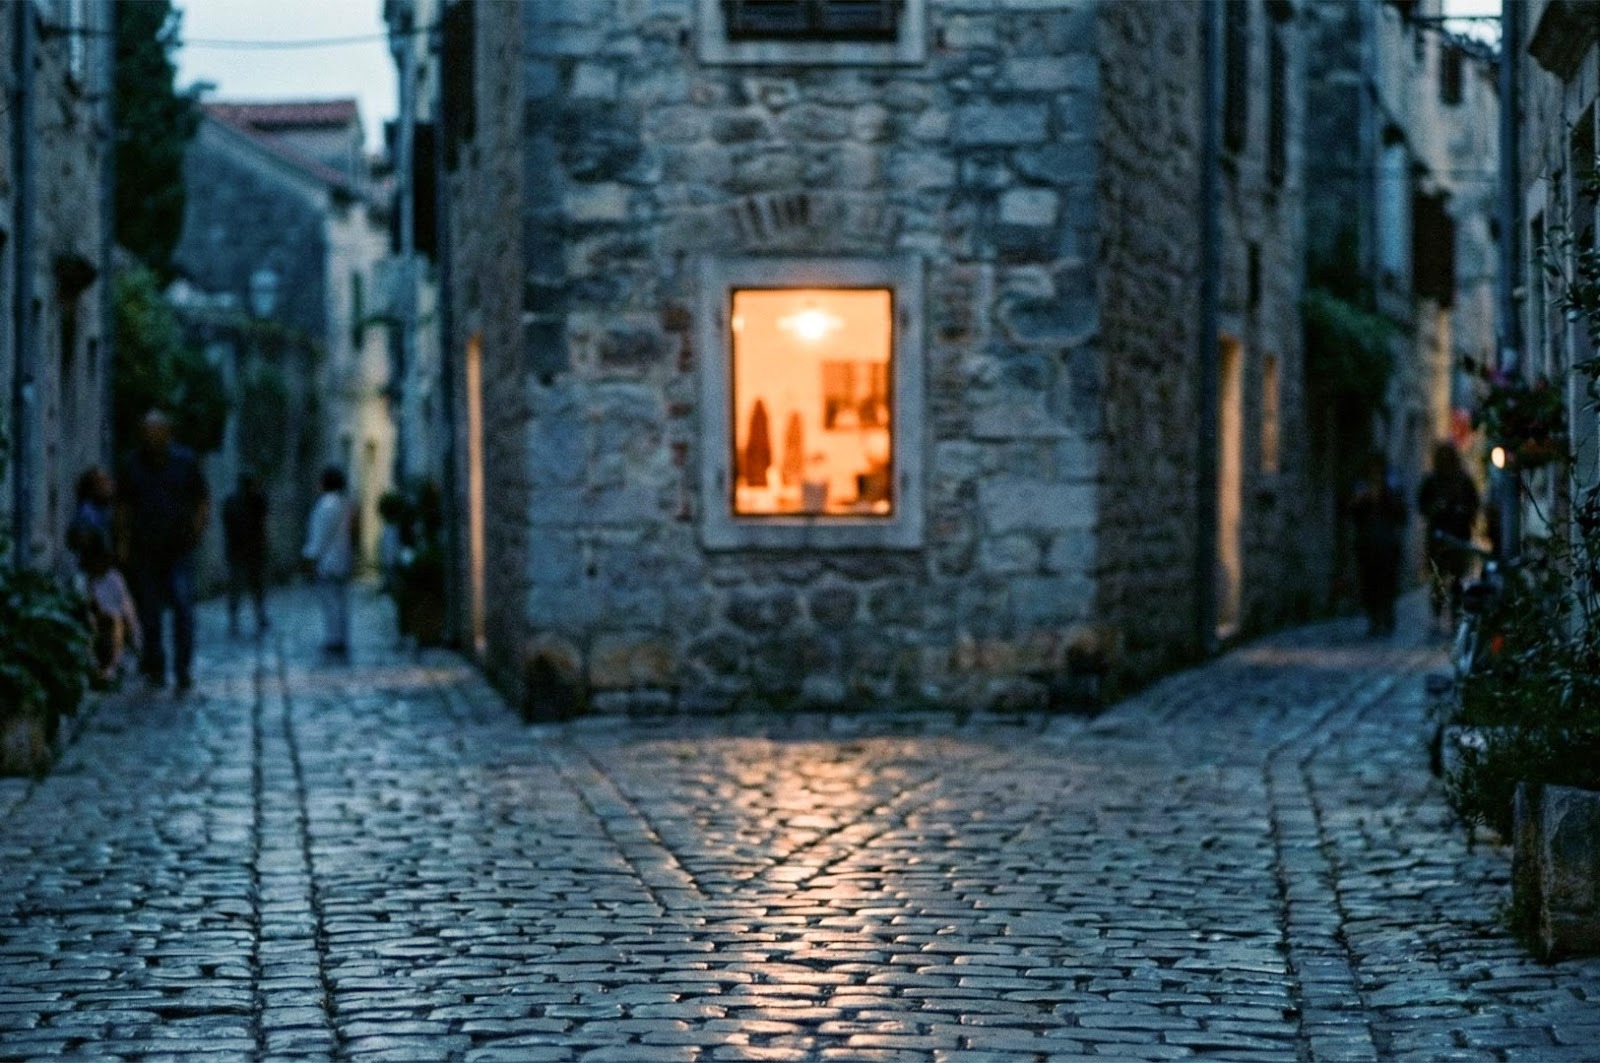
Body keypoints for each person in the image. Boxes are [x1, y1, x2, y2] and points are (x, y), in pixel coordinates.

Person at [118, 410, 209, 695]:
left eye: (157, 433)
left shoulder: (185, 462)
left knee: (183, 607)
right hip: (146, 549)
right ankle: (155, 667)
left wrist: (197, 529)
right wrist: (123, 542)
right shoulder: (133, 465)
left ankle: (182, 670)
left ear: (168, 433)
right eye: (147, 433)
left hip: (179, 548)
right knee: (150, 612)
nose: (152, 438)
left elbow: (202, 499)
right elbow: (124, 507)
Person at [1418, 441, 1481, 635]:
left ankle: (1454, 619)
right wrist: (1436, 509)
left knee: (1457, 581)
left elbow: (1473, 504)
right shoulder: (1432, 481)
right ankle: (1437, 618)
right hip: (1438, 538)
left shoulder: (1462, 481)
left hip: (1458, 535)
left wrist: (1463, 512)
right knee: (1438, 581)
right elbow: (1422, 505)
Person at [1348, 455, 1407, 636]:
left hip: (1387, 544)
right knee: (1369, 583)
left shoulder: (1392, 486)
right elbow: (1352, 512)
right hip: (1368, 544)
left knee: (1387, 582)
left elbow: (1401, 514)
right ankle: (1374, 619)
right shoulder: (1362, 488)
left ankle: (1387, 617)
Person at [302, 466, 355, 660]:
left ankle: (334, 640)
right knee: (340, 602)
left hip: (328, 561)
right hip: (342, 559)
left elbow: (319, 535)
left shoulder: (325, 505)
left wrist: (311, 556)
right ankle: (340, 638)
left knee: (331, 602)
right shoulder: (343, 503)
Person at [222, 471, 270, 637]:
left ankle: (244, 619)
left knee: (246, 587)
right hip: (246, 550)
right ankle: (250, 618)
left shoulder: (243, 501)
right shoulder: (250, 501)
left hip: (244, 550)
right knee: (249, 587)